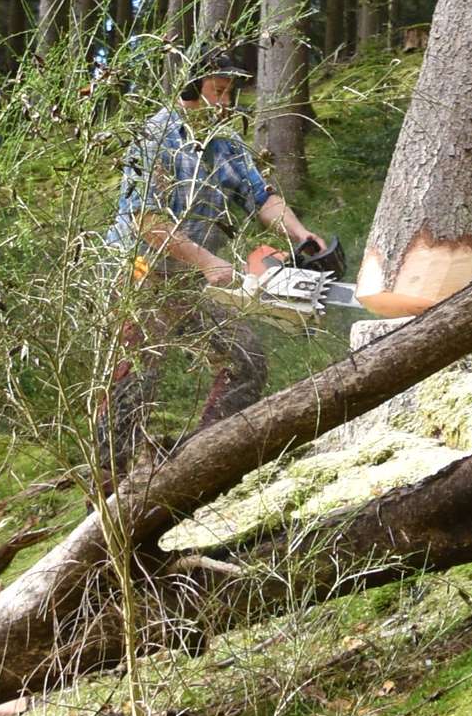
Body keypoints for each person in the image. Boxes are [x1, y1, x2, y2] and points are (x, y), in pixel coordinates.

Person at [95, 47, 330, 479]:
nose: (224, 102)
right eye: (217, 91)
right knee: (135, 376)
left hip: (189, 280)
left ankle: (205, 460)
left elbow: (261, 197)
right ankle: (112, 484)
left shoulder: (226, 144)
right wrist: (207, 261)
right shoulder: (155, 138)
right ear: (190, 89)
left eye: (228, 93)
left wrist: (301, 235)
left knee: (245, 360)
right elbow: (146, 220)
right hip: (141, 276)